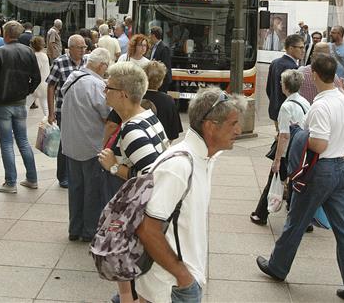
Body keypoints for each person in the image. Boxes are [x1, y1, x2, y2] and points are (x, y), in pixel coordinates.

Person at [257, 55, 344, 303]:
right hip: (341, 169)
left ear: (314, 74)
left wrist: (299, 133)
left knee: (295, 222)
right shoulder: (342, 100)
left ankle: (278, 267)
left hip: (320, 171)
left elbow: (318, 143)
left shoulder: (320, 105)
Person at [135, 88, 245, 303]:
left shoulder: (203, 157)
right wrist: (183, 276)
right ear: (210, 126)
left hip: (179, 281)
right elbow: (147, 229)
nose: (239, 131)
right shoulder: (179, 166)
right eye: (233, 124)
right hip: (170, 287)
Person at [98, 60, 168, 303]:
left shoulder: (132, 130)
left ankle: (129, 298)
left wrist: (114, 167)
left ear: (123, 94)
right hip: (148, 212)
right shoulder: (147, 115)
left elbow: (151, 177)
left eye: (108, 88)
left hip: (139, 210)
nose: (105, 91)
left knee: (124, 250)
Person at [58, 47, 112, 239]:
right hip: (91, 145)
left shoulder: (73, 78)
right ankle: (89, 231)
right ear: (102, 65)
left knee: (76, 189)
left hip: (71, 144)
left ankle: (74, 229)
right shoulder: (96, 85)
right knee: (92, 191)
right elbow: (108, 113)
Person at [0, 21, 41, 194]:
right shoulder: (28, 51)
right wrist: (26, 91)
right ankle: (32, 178)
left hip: (2, 103)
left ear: (6, 34)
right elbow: (36, 78)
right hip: (19, 102)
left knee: (7, 143)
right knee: (23, 141)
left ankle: (10, 182)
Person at [251, 69, 310, 226]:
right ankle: (303, 221)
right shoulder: (305, 102)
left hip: (287, 151)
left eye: (281, 82)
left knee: (273, 180)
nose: (280, 84)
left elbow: (284, 135)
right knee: (296, 184)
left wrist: (277, 159)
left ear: (285, 86)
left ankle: (260, 214)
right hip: (301, 150)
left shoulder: (286, 107)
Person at [47, 34, 87, 188]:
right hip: (64, 111)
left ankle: (76, 174)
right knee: (64, 144)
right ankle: (63, 176)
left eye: (84, 47)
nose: (83, 50)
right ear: (70, 48)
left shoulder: (88, 62)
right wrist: (51, 113)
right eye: (79, 47)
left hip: (83, 112)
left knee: (79, 143)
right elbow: (51, 86)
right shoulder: (60, 63)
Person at [267, 34, 305, 130]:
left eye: (303, 48)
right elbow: (292, 93)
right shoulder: (292, 67)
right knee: (286, 139)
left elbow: (268, 89)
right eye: (300, 48)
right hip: (287, 111)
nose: (303, 51)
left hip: (275, 110)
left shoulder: (275, 62)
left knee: (280, 136)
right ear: (291, 48)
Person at [143, 61, 183, 141]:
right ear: (161, 81)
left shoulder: (135, 97)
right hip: (161, 148)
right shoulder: (168, 100)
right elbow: (173, 133)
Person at [29, 36, 50, 116]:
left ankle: (21, 122)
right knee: (45, 106)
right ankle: (50, 122)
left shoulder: (35, 56)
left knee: (26, 105)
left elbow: (34, 70)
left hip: (36, 84)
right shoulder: (44, 55)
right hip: (44, 84)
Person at [148, 26, 173, 92]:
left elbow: (165, 66)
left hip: (162, 81)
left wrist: (160, 80)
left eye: (150, 35)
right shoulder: (153, 47)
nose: (149, 37)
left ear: (153, 35)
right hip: (155, 79)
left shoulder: (164, 48)